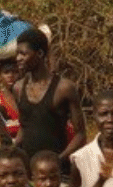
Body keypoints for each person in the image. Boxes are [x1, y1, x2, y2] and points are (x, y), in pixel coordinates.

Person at [14, 29, 86, 173]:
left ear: (40, 54)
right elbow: (25, 126)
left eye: (23, 53)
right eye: (17, 53)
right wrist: (12, 150)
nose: (18, 58)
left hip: (57, 173)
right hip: (29, 173)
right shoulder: (18, 88)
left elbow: (80, 134)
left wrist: (58, 160)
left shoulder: (64, 88)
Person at [0, 59, 22, 139]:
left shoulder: (29, 97)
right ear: (0, 75)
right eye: (6, 72)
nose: (10, 75)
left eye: (15, 72)